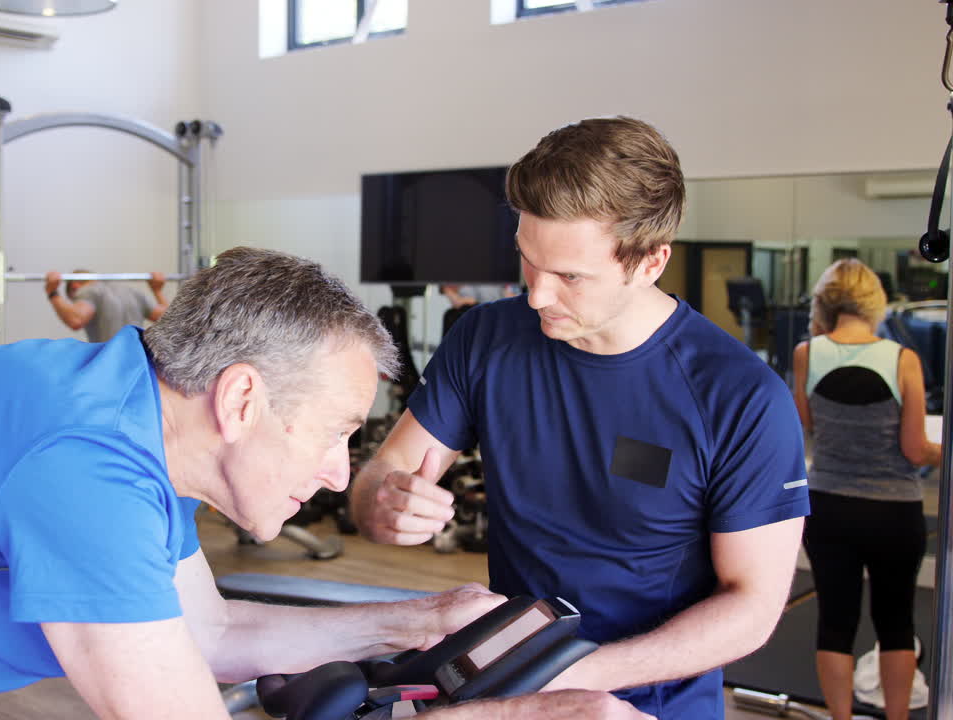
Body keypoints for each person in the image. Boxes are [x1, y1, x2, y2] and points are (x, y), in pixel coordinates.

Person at [0, 247, 651, 720]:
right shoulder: (86, 467)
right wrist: (521, 714)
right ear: (240, 398)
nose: (335, 471)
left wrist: (417, 622)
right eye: (333, 433)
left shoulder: (127, 416)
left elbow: (206, 637)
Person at [350, 117, 810, 719]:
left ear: (650, 262)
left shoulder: (741, 397)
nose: (537, 295)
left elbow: (752, 606)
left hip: (646, 706)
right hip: (508, 692)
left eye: (570, 276)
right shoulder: (486, 338)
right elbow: (383, 473)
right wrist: (383, 504)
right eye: (528, 261)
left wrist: (576, 675)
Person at [793, 259, 941, 720]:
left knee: (834, 623)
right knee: (896, 624)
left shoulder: (806, 354)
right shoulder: (902, 359)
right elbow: (915, 449)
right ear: (875, 302)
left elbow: (805, 426)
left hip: (829, 507)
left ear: (824, 302)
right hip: (893, 513)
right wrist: (944, 452)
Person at [45, 268, 169, 342]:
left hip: (109, 365)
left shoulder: (89, 291)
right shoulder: (132, 292)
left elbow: (75, 319)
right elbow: (169, 320)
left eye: (75, 300)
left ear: (75, 287)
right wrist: (157, 290)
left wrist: (52, 293)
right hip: (137, 364)